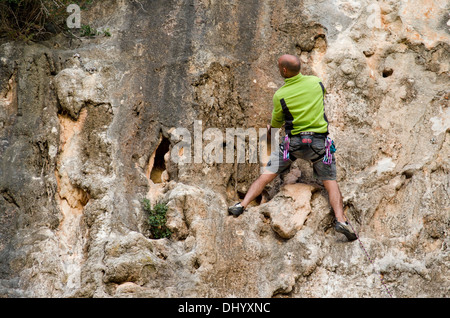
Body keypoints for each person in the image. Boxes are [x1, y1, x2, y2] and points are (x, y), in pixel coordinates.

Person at [228, 54, 357, 241]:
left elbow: (275, 124)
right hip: (319, 143)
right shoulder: (316, 83)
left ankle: (242, 204)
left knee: (267, 174)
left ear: (284, 71)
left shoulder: (280, 95)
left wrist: (269, 130)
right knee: (331, 182)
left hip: (293, 144)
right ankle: (341, 220)